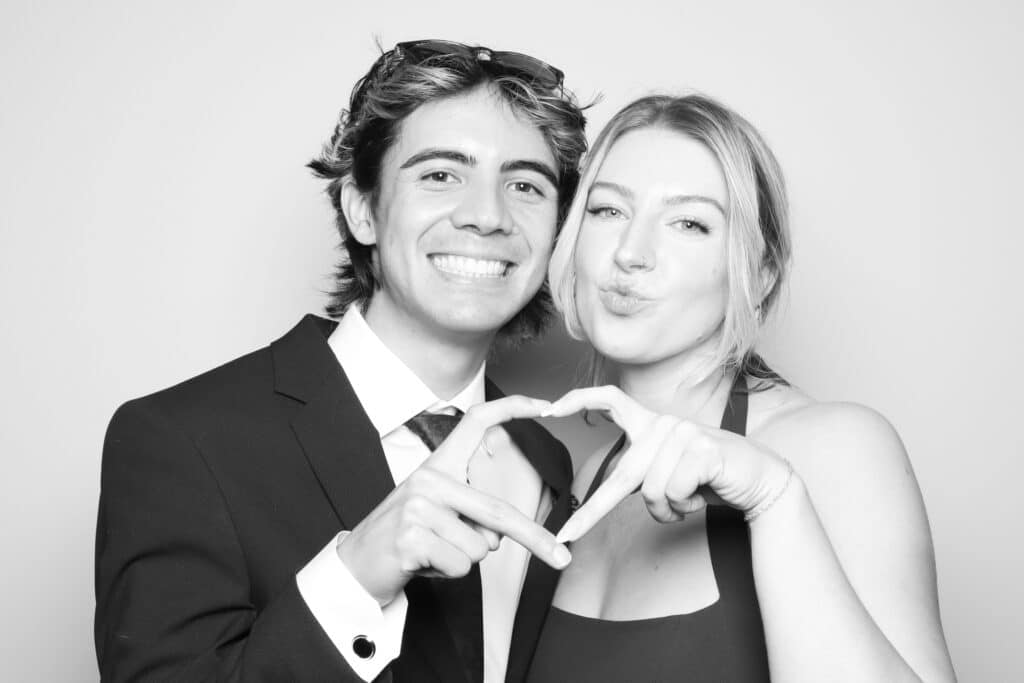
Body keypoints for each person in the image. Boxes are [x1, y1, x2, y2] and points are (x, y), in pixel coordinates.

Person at [94, 40, 588, 682]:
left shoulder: (548, 462)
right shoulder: (181, 441)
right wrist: (353, 580)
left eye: (525, 185)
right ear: (361, 209)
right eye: (441, 174)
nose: (488, 216)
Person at [526, 94, 957, 681]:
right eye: (607, 212)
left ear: (759, 275)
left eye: (689, 223)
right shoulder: (581, 479)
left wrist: (773, 499)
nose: (630, 253)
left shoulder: (835, 447)